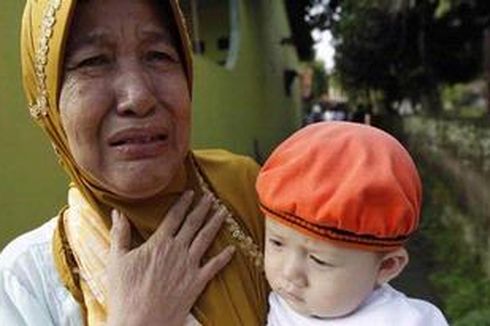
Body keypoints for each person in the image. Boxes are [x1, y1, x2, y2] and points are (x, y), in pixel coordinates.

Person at [0, 0, 268, 325]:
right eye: (93, 61)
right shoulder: (24, 282)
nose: (138, 97)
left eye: (158, 56)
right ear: (48, 100)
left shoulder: (254, 200)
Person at [256, 122, 449, 325]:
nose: (289, 272)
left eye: (319, 260)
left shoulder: (407, 321)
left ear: (386, 266)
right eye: (277, 243)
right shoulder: (283, 302)